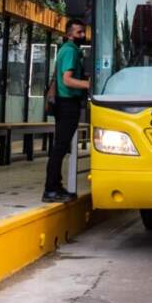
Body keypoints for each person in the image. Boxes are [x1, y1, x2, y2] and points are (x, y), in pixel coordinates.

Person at [43, 18, 90, 203]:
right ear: (69, 34)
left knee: (60, 146)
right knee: (60, 147)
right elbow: (67, 80)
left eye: (83, 31)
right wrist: (89, 84)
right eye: (79, 32)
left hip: (64, 103)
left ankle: (56, 186)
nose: (83, 35)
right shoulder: (70, 51)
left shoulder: (68, 50)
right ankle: (50, 189)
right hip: (67, 103)